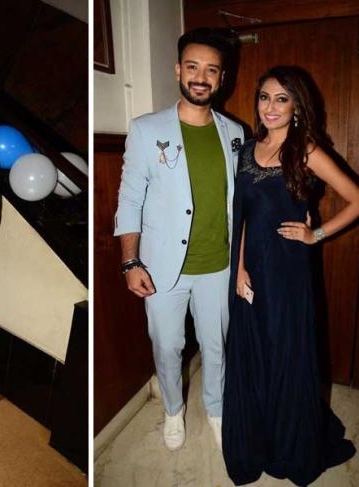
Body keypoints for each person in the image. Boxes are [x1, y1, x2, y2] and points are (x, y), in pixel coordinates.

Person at [222, 66, 359, 486]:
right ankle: (258, 438)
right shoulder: (248, 150)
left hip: (287, 270)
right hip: (251, 267)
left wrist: (314, 234)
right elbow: (243, 215)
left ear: (297, 107)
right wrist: (239, 267)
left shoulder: (306, 150)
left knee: (285, 351)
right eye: (264, 97)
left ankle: (289, 443)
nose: (270, 107)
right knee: (253, 351)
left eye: (281, 99)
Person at [114, 28, 244, 451]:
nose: (201, 77)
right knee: (168, 347)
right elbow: (129, 199)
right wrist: (130, 262)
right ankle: (173, 410)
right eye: (193, 67)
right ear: (178, 71)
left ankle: (217, 409)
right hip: (160, 268)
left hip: (219, 265)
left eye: (211, 70)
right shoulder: (146, 129)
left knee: (216, 345)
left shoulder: (235, 133)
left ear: (222, 78)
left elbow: (243, 201)